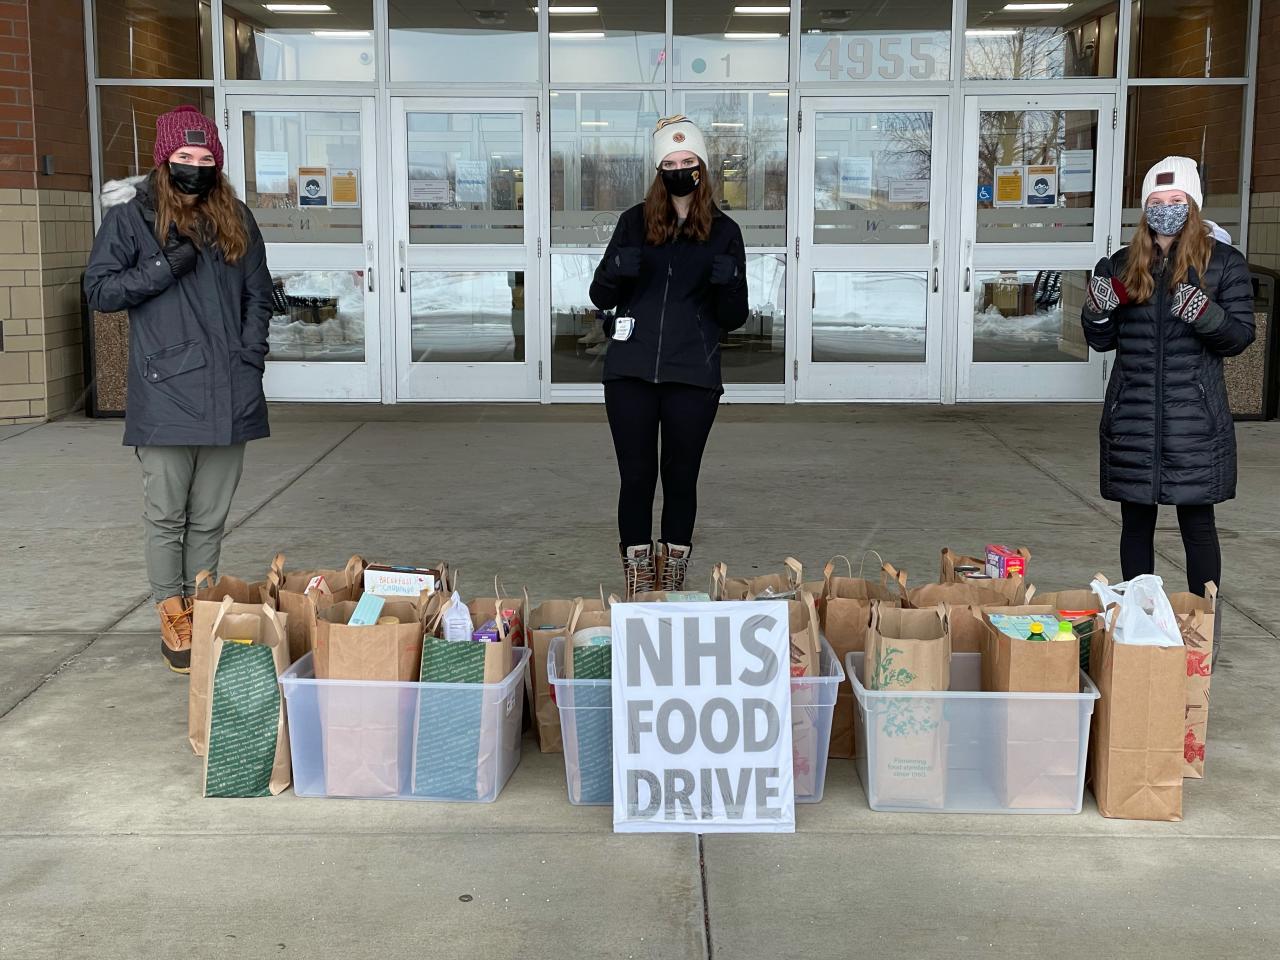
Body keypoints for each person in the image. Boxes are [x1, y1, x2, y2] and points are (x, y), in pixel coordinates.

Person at [85, 105, 273, 672]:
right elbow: (100, 290)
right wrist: (163, 267)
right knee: (167, 515)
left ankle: (203, 605)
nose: (195, 165)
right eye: (185, 156)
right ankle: (173, 612)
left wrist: (250, 357)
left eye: (205, 156)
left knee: (210, 515)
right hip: (165, 389)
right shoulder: (131, 219)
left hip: (230, 388)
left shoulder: (236, 217)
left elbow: (258, 294)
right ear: (164, 160)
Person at [589, 115, 749, 598]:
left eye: (688, 161)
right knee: (637, 477)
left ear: (702, 166)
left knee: (681, 478)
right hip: (630, 372)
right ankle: (640, 578)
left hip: (692, 375)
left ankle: (673, 576)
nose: (680, 170)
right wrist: (616, 268)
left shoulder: (724, 232)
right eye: (670, 163)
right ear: (659, 171)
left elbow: (733, 317)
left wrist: (730, 282)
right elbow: (600, 295)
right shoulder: (633, 222)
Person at [1081, 156, 1255, 596]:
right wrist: (1097, 311)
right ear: (1145, 209)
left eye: (1176, 199)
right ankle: (1139, 619)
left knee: (1198, 525)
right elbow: (1102, 341)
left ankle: (1203, 620)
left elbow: (1239, 338)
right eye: (1156, 202)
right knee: (1136, 524)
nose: (1165, 209)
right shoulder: (1122, 264)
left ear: (1192, 204)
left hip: (1194, 421)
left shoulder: (1224, 263)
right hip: (1133, 417)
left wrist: (1204, 312)